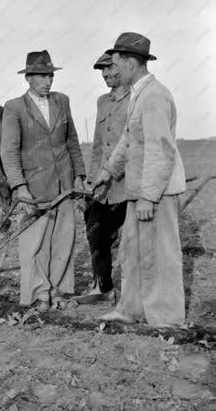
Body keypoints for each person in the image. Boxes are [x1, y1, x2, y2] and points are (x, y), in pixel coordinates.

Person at [93, 32, 186, 327]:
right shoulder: (139, 93)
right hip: (138, 188)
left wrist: (148, 196)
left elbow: (160, 150)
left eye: (117, 65)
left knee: (159, 255)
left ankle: (166, 319)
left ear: (133, 63)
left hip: (156, 192)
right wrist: (107, 172)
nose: (113, 71)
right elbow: (128, 140)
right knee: (131, 251)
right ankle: (130, 310)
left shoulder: (155, 96)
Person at [0, 50, 86, 311]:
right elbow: (9, 150)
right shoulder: (14, 107)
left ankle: (59, 290)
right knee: (34, 241)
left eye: (50, 75)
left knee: (63, 238)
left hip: (65, 182)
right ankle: (39, 293)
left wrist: (80, 176)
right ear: (28, 78)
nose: (48, 81)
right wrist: (19, 186)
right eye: (41, 76)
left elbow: (72, 141)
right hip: (33, 186)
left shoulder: (63, 101)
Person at [73, 52, 129, 304]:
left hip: (126, 185)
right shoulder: (102, 101)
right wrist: (92, 180)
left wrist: (112, 174)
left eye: (109, 69)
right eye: (102, 71)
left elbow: (135, 146)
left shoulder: (136, 99)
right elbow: (98, 146)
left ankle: (134, 293)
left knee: (129, 240)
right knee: (95, 232)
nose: (105, 75)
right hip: (101, 187)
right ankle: (102, 286)